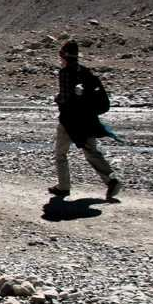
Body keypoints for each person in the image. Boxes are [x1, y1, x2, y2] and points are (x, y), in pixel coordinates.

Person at [48, 39, 122, 201]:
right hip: (88, 121)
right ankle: (111, 181)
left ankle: (63, 187)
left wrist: (57, 98)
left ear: (64, 56)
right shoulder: (85, 71)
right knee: (91, 152)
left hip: (69, 122)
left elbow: (66, 99)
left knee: (61, 154)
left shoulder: (65, 73)